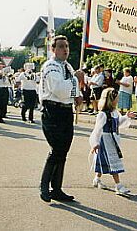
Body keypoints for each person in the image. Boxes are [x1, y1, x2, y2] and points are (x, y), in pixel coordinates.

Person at [38, 35, 82, 202]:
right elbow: (58, 89)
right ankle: (44, 186)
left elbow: (71, 88)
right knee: (56, 149)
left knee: (63, 151)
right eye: (62, 46)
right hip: (52, 111)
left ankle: (56, 188)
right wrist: (76, 80)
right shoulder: (51, 66)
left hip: (65, 111)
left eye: (67, 46)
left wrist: (77, 95)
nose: (65, 50)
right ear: (53, 49)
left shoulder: (67, 66)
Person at [89, 88, 136, 195]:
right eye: (116, 99)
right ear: (111, 100)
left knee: (103, 161)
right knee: (113, 161)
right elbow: (97, 130)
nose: (118, 101)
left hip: (112, 139)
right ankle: (118, 185)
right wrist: (95, 143)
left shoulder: (114, 112)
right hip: (105, 141)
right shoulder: (103, 114)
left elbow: (117, 123)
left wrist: (126, 117)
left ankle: (97, 178)